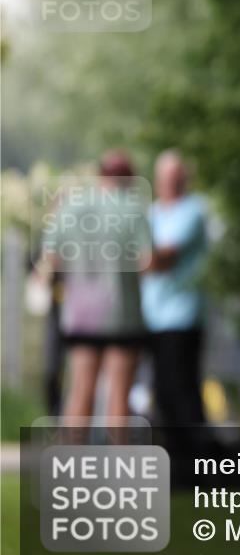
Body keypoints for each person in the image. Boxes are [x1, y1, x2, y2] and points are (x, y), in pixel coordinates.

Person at [41, 150, 149, 423]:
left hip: (81, 317)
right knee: (119, 398)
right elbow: (147, 260)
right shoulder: (133, 209)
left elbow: (51, 258)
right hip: (122, 315)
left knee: (80, 392)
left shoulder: (72, 207)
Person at [142, 150, 210, 440]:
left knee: (184, 392)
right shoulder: (153, 212)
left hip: (182, 316)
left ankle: (204, 465)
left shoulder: (193, 210)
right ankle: (179, 465)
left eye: (175, 177)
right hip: (153, 316)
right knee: (163, 393)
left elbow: (162, 259)